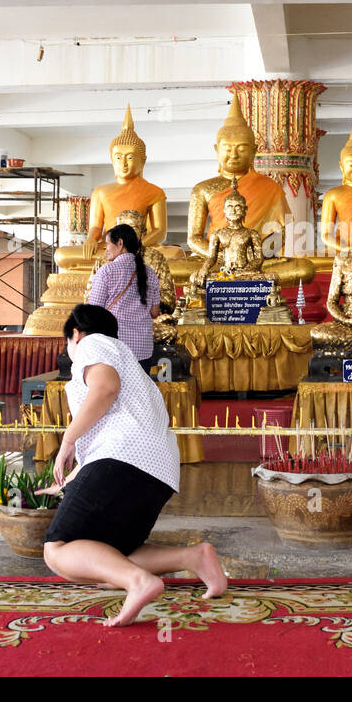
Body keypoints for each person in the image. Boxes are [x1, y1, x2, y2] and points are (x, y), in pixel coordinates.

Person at [40, 305, 226, 626]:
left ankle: (139, 583)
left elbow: (105, 388)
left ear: (75, 334)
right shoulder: (126, 358)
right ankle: (194, 557)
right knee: (110, 552)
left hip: (124, 458)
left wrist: (67, 440)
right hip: (157, 469)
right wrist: (68, 482)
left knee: (57, 549)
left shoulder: (92, 343)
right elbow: (105, 435)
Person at [85, 223, 160, 370]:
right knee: (138, 391)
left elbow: (94, 313)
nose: (106, 249)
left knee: (114, 391)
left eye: (107, 244)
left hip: (114, 346)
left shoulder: (107, 271)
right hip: (143, 348)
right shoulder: (149, 272)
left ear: (120, 243)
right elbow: (155, 312)